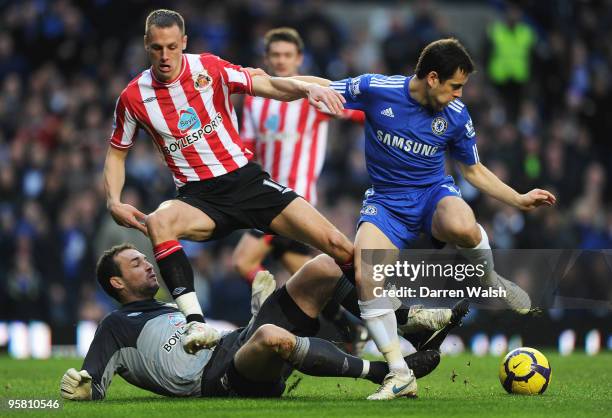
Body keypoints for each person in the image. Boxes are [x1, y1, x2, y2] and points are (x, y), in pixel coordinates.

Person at [270, 38, 556, 399]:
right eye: (456, 86)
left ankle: (489, 278)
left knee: (462, 224)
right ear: (433, 78)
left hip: (432, 196)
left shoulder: (456, 115)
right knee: (365, 273)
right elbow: (325, 86)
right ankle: (399, 372)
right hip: (387, 203)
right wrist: (291, 85)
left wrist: (518, 198)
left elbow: (473, 170)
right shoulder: (378, 89)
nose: (459, 94)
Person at [104, 9, 355, 356]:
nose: (165, 56)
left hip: (246, 182)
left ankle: (394, 321)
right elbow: (117, 152)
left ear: (184, 44)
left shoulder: (209, 67)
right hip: (198, 197)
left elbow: (265, 84)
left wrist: (304, 88)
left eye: (172, 47)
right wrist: (113, 200)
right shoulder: (133, 97)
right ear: (146, 45)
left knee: (338, 246)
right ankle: (195, 323)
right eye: (157, 48)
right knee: (161, 220)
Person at [59, 244, 452, 401]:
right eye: (135, 263)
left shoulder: (167, 307)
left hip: (233, 342)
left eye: (145, 259)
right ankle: (385, 372)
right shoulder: (114, 326)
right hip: (217, 379)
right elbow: (91, 387)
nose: (148, 264)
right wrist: (79, 389)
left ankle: (406, 322)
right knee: (269, 336)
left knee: (324, 266)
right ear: (116, 282)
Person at [233, 27, 366, 349]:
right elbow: (247, 148)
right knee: (309, 274)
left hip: (293, 197)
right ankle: (354, 326)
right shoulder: (255, 100)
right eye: (275, 55)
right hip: (264, 195)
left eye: (287, 55)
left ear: (299, 59)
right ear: (266, 58)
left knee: (243, 262)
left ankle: (269, 312)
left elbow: (357, 112)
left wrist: (394, 117)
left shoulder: (312, 95)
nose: (280, 61)